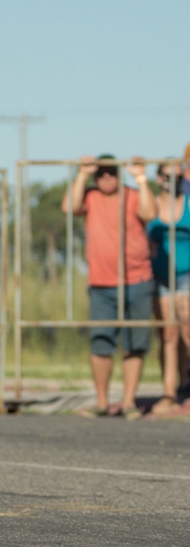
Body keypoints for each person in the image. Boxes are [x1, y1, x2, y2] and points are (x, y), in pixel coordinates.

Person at [63, 154, 156, 419]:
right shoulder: (90, 196)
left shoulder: (132, 194)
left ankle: (128, 402)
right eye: (101, 173)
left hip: (137, 280)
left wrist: (141, 177)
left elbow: (150, 213)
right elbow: (69, 207)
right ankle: (102, 402)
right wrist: (82, 174)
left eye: (112, 172)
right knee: (101, 341)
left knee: (135, 343)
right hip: (101, 283)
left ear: (119, 174)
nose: (106, 177)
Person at [148, 162, 190, 416]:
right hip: (160, 277)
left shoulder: (189, 203)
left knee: (187, 330)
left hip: (187, 275)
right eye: (167, 175)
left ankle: (187, 384)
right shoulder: (150, 205)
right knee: (168, 335)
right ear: (158, 178)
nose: (172, 180)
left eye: (178, 176)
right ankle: (168, 393)